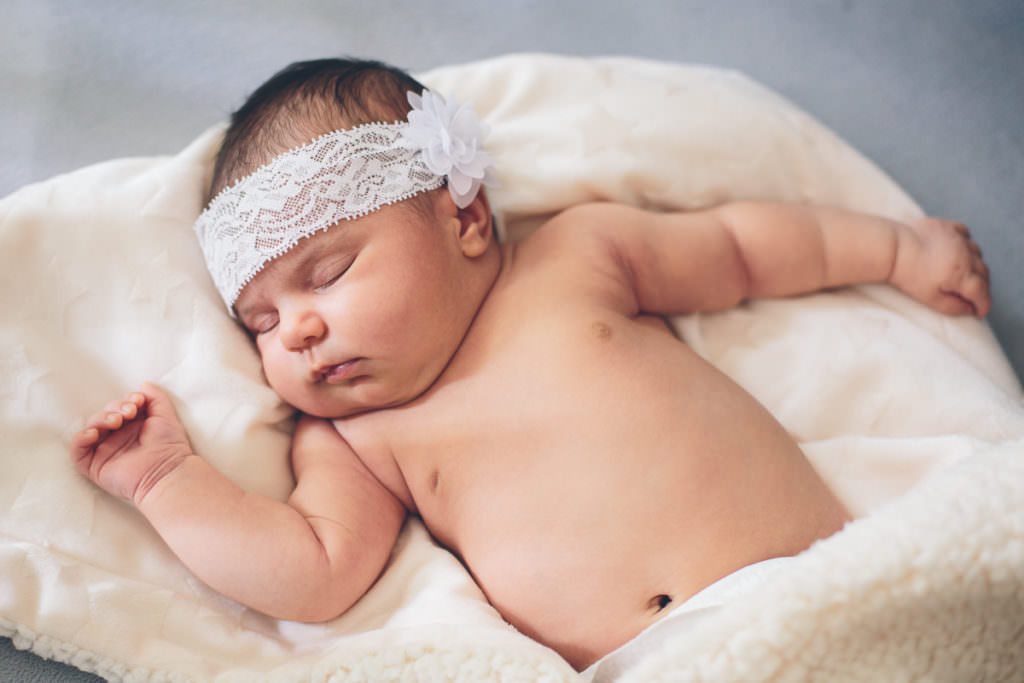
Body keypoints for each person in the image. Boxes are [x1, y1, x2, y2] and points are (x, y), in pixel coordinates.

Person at [69, 58, 991, 670]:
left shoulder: (576, 260)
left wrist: (898, 251)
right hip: (656, 663)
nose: (298, 331)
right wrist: (164, 481)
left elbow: (739, 249)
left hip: (827, 583)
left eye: (329, 273)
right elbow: (313, 568)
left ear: (465, 218)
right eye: (262, 321)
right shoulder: (354, 438)